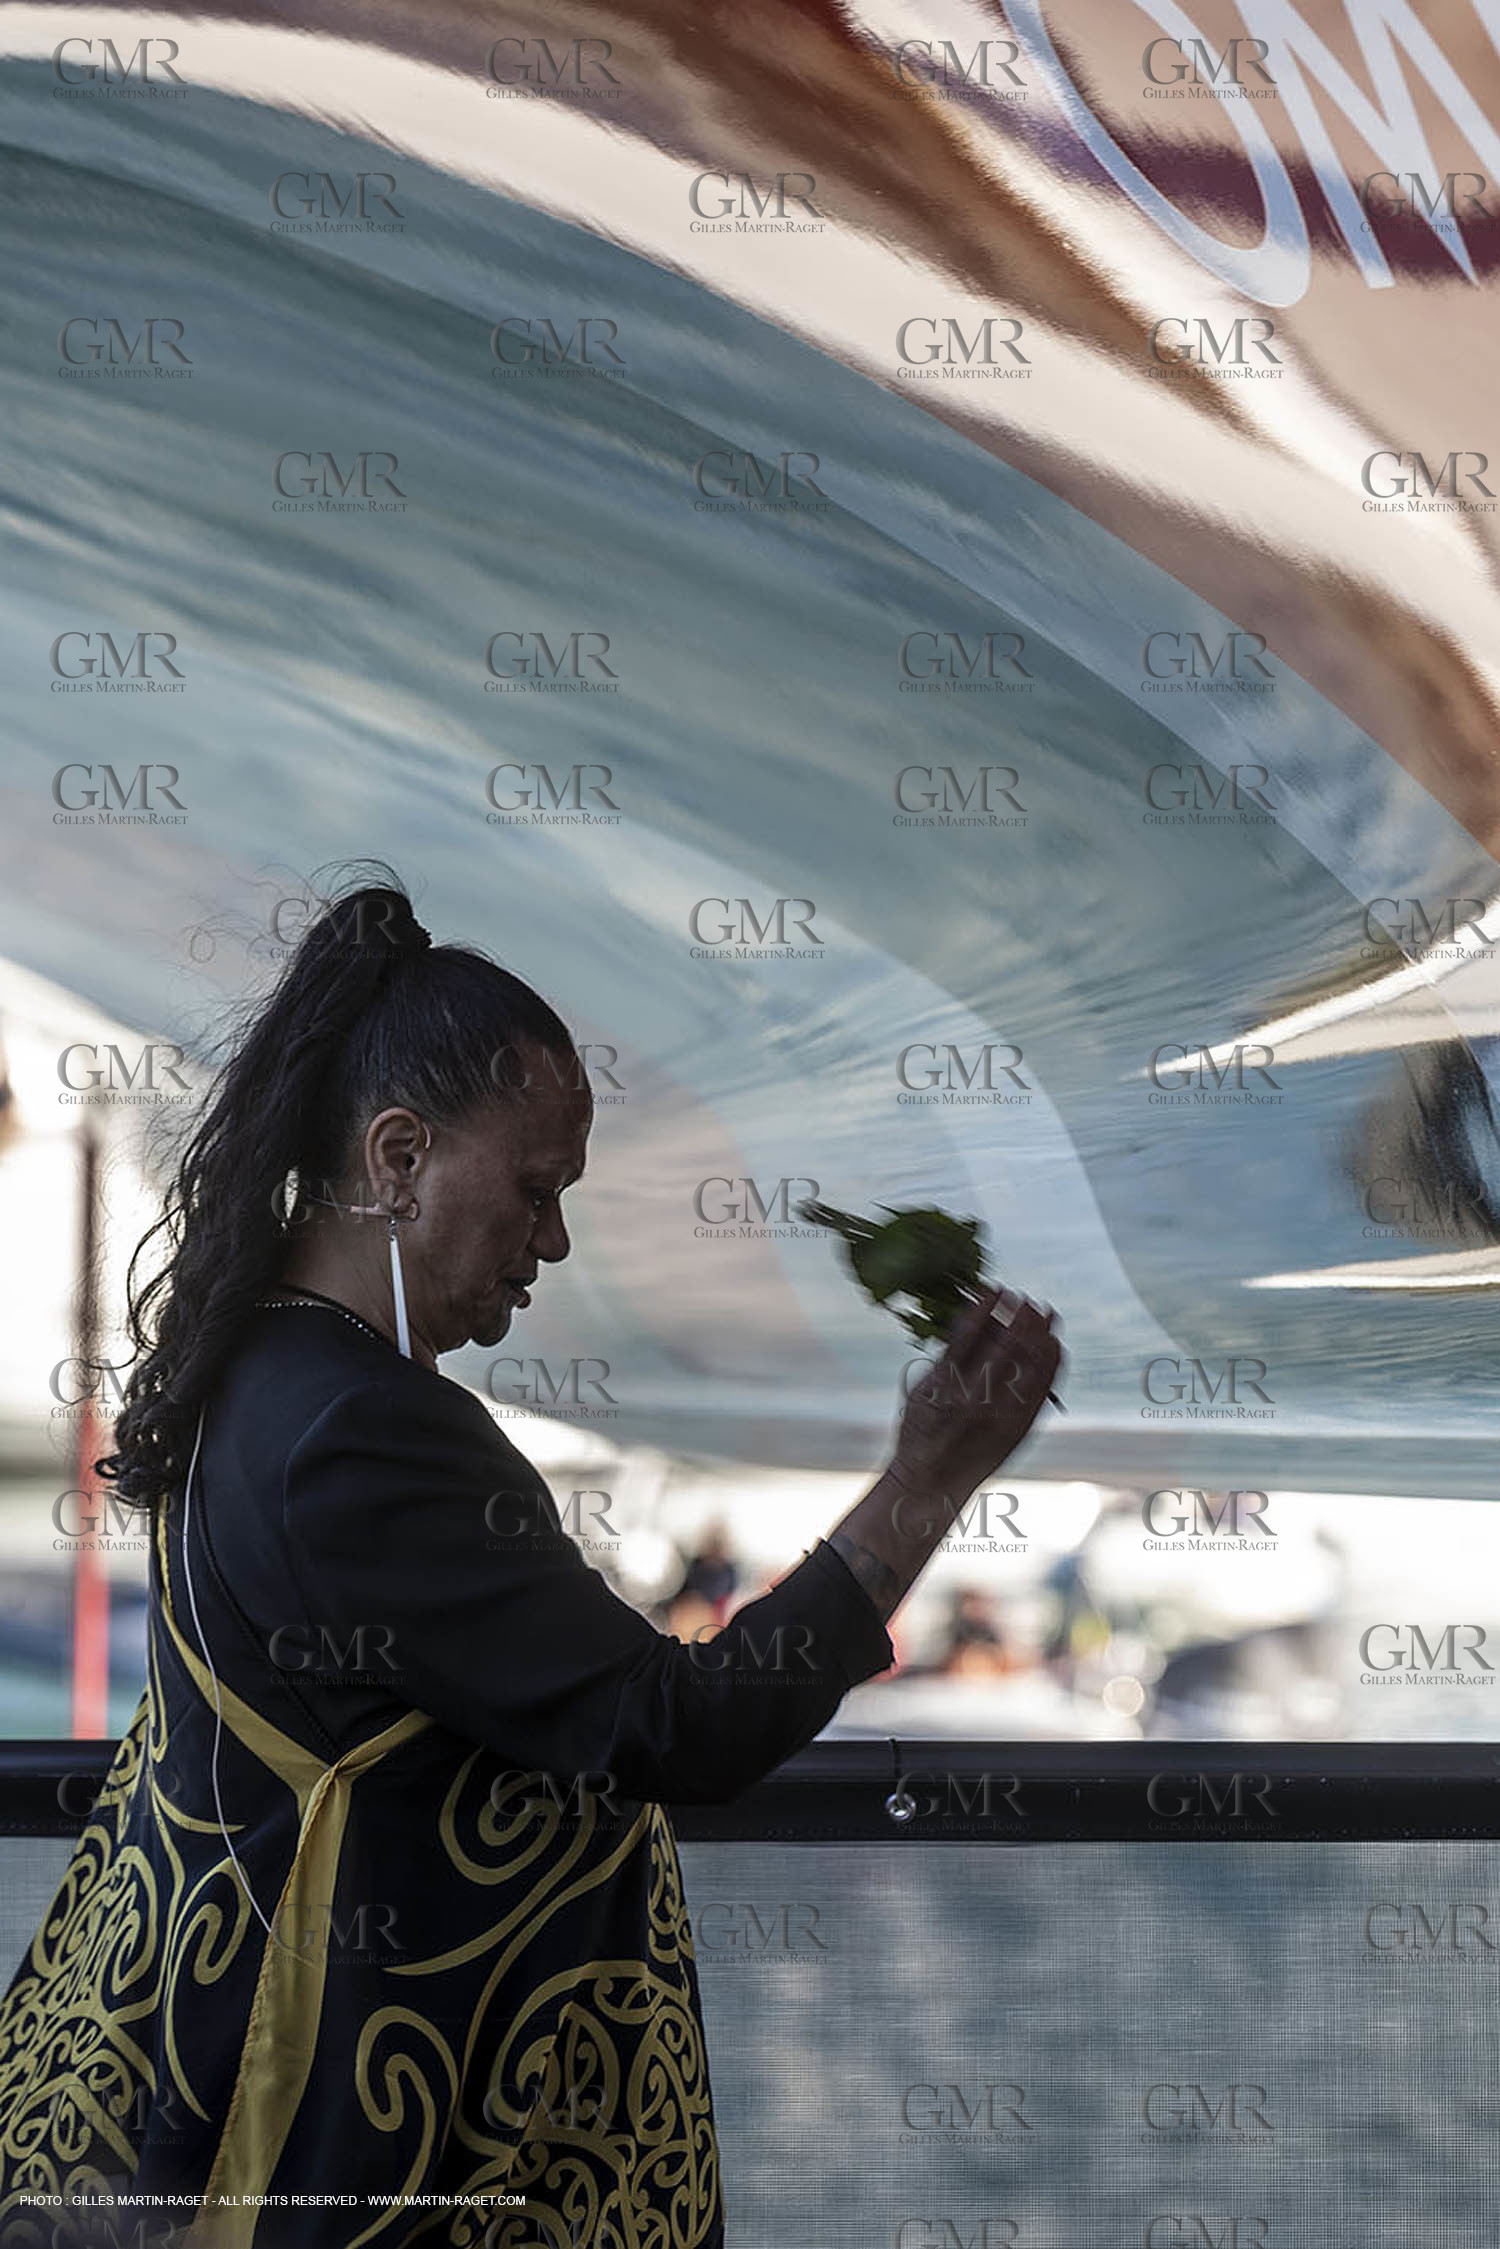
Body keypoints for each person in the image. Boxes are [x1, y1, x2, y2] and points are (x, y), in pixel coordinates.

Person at [0, 876, 1062, 2249]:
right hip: (340, 2152)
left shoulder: (255, 1366)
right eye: (535, 1190)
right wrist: (926, 1484)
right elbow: (679, 1727)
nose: (553, 1241)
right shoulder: (366, 1433)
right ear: (399, 1156)